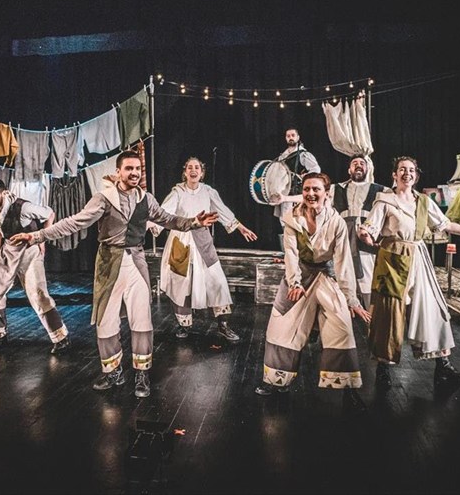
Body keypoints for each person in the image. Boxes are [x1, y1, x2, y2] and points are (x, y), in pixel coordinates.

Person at [27, 150, 218, 398]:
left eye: (137, 168)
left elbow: (168, 219)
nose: (134, 173)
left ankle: (142, 374)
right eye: (129, 168)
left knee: (142, 319)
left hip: (136, 262)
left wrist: (194, 222)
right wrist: (38, 235)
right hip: (109, 264)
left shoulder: (146, 199)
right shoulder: (104, 198)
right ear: (118, 172)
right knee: (106, 321)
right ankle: (113, 372)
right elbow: (74, 222)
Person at [357, 156, 460, 390]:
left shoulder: (423, 201)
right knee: (388, 314)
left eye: (411, 170)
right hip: (393, 260)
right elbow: (369, 228)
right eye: (402, 169)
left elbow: (447, 225)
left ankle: (443, 366)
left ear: (416, 175)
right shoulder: (384, 200)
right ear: (394, 175)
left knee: (433, 310)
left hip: (418, 258)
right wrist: (366, 235)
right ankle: (383, 367)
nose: (407, 173)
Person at [254, 172, 371, 413]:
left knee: (342, 325)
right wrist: (294, 283)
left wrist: (351, 299)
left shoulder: (336, 222)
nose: (310, 194)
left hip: (326, 276)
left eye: (316, 189)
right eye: (307, 189)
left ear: (326, 193)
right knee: (280, 325)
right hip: (299, 276)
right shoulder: (292, 218)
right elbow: (291, 254)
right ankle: (276, 381)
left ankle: (348, 390)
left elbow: (343, 262)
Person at [153, 157, 257, 342]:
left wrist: (241, 228)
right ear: (185, 172)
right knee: (181, 284)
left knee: (218, 281)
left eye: (197, 168)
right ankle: (184, 324)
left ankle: (223, 325)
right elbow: (163, 213)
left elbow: (223, 211)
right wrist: (152, 225)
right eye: (190, 168)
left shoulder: (208, 191)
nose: (193, 170)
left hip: (203, 241)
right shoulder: (177, 192)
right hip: (181, 240)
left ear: (201, 173)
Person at [0, 177, 71, 355]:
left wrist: (42, 239)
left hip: (29, 251)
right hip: (9, 250)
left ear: (3, 193)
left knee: (38, 295)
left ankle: (61, 338)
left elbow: (49, 214)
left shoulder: (23, 207)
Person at [330, 154, 388, 309]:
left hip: (366, 237)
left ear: (368, 168)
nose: (358, 165)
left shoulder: (381, 190)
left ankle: (370, 315)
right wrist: (286, 199)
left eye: (362, 163)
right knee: (342, 273)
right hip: (342, 235)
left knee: (366, 276)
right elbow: (315, 197)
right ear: (349, 169)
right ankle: (344, 312)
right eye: (354, 163)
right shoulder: (336, 188)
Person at [273, 127, 321, 228]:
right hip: (284, 195)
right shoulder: (282, 157)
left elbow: (316, 170)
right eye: (288, 136)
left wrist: (305, 177)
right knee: (285, 225)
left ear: (298, 137)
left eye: (293, 135)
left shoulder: (303, 154)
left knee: (299, 225)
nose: (290, 138)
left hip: (297, 195)